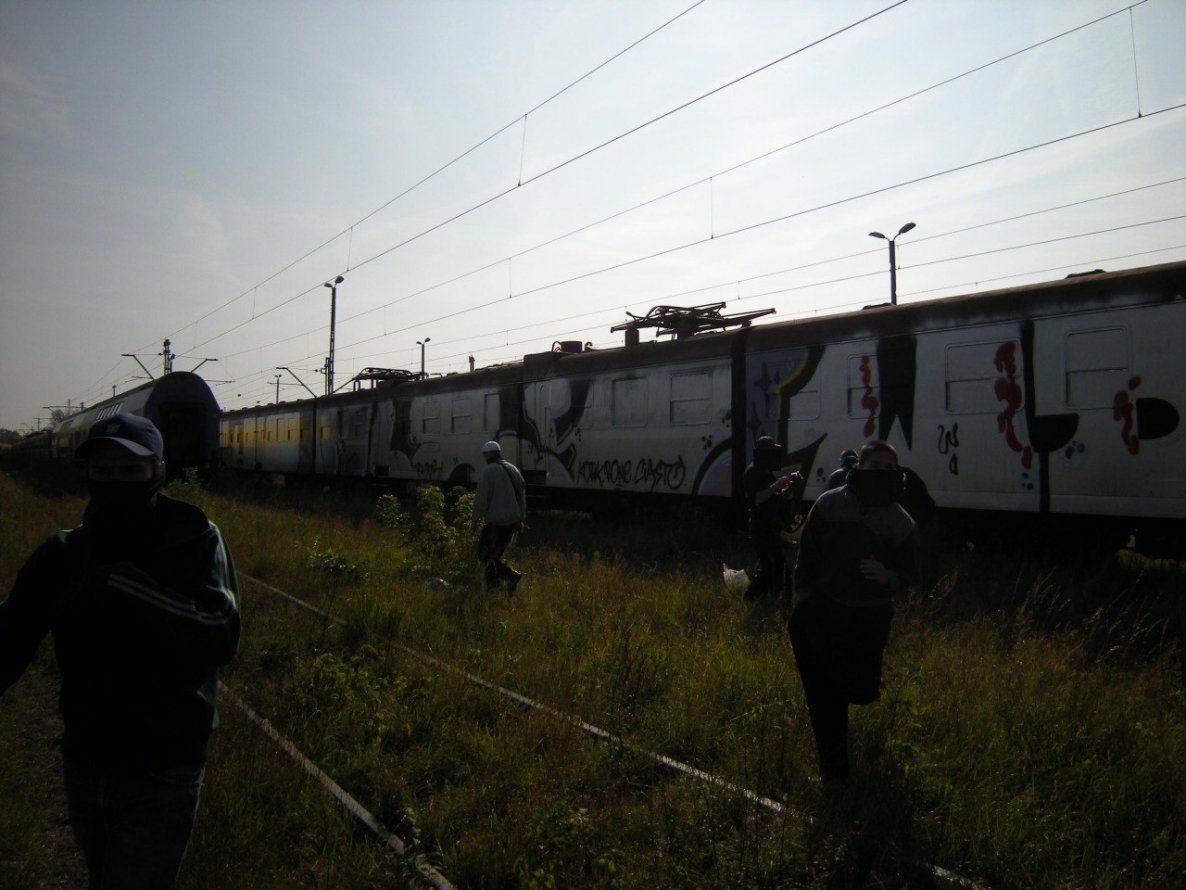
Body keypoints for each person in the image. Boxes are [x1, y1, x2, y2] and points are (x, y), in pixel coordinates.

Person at [0, 413, 240, 890]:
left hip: (165, 766)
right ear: (86, 475)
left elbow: (221, 634)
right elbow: (9, 639)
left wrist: (135, 591)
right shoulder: (62, 555)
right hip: (86, 759)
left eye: (131, 472)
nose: (115, 483)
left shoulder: (195, 541)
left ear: (158, 473)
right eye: (103, 473)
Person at [787, 439, 920, 783]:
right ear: (859, 468)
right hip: (823, 613)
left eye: (890, 469)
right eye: (876, 466)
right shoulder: (829, 506)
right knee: (825, 697)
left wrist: (890, 576)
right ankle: (835, 773)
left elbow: (916, 570)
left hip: (868, 618)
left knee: (858, 690)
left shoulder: (899, 520)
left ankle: (838, 762)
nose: (883, 473)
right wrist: (804, 599)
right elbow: (808, 555)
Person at [742, 436, 803, 601]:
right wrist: (777, 485)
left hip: (771, 525)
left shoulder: (766, 471)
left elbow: (777, 497)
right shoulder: (752, 472)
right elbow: (756, 498)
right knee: (768, 565)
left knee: (777, 564)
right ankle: (751, 596)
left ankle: (775, 595)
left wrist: (790, 486)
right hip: (760, 526)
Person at [472, 440, 526, 592]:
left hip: (496, 522)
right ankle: (493, 587)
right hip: (512, 522)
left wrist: (475, 520)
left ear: (488, 455)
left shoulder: (488, 471)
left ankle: (511, 576)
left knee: (484, 556)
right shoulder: (513, 469)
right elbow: (522, 497)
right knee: (494, 556)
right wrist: (520, 519)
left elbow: (481, 499)